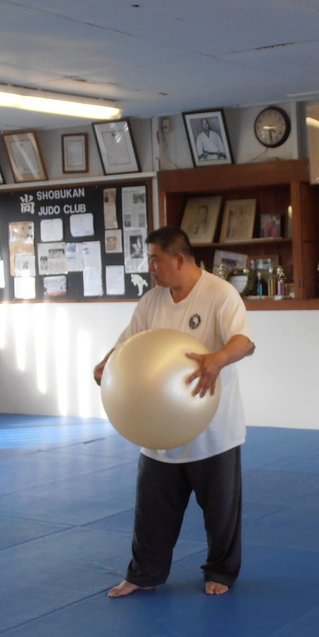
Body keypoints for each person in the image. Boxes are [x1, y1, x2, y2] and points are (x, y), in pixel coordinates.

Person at [93, 226, 255, 598]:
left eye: (155, 259)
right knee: (151, 509)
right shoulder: (152, 301)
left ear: (179, 259)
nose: (150, 267)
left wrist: (216, 359)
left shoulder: (219, 294)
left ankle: (221, 572)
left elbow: (244, 341)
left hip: (213, 429)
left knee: (221, 511)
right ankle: (144, 572)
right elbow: (125, 347)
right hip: (157, 429)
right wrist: (103, 367)